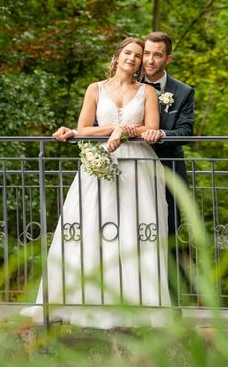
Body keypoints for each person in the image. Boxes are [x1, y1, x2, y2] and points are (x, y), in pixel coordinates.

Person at [21, 37, 172, 328]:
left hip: (138, 166)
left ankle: (137, 303)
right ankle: (83, 299)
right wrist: (115, 128)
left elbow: (152, 128)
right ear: (117, 57)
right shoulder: (95, 89)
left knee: (134, 229)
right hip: (99, 162)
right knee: (88, 225)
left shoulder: (148, 92)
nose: (133, 58)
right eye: (128, 52)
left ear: (142, 64)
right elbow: (83, 128)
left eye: (139, 56)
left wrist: (126, 133)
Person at [55, 31, 195, 238]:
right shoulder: (97, 88)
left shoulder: (181, 92)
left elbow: (185, 131)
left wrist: (157, 132)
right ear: (117, 56)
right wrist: (76, 132)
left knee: (165, 228)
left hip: (162, 166)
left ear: (168, 59)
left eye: (156, 55)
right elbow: (95, 124)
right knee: (99, 220)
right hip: (110, 159)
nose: (148, 59)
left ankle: (168, 271)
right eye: (145, 54)